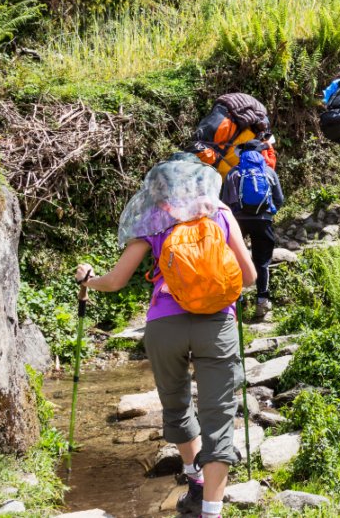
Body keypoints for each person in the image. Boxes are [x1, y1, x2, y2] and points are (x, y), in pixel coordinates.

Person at [76, 153, 257, 518]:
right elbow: (249, 276)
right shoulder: (220, 214)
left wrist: (86, 280)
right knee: (219, 416)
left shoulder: (153, 220)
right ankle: (211, 511)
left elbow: (114, 282)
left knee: (175, 405)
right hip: (217, 325)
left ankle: (195, 480)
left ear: (160, 189)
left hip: (164, 326)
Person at [221, 148, 284, 322]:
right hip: (263, 221)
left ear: (240, 155)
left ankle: (235, 302)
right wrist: (269, 213)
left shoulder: (233, 173)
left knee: (233, 259)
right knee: (262, 261)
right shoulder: (268, 171)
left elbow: (224, 201)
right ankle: (262, 301)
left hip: (238, 222)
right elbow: (279, 199)